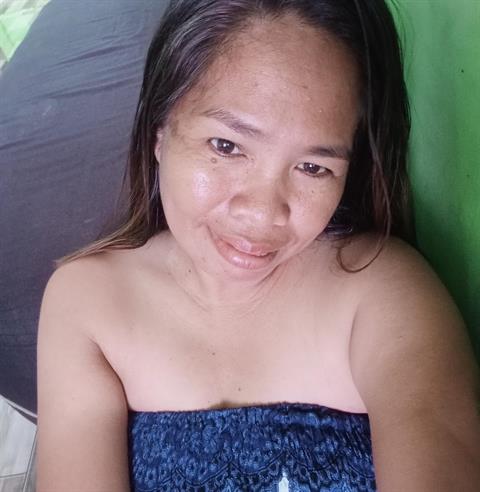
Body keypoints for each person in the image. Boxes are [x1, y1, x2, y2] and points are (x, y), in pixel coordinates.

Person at [36, 0, 480, 490]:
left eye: (313, 167)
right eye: (226, 146)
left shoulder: (381, 294)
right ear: (159, 130)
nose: (263, 214)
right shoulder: (89, 303)